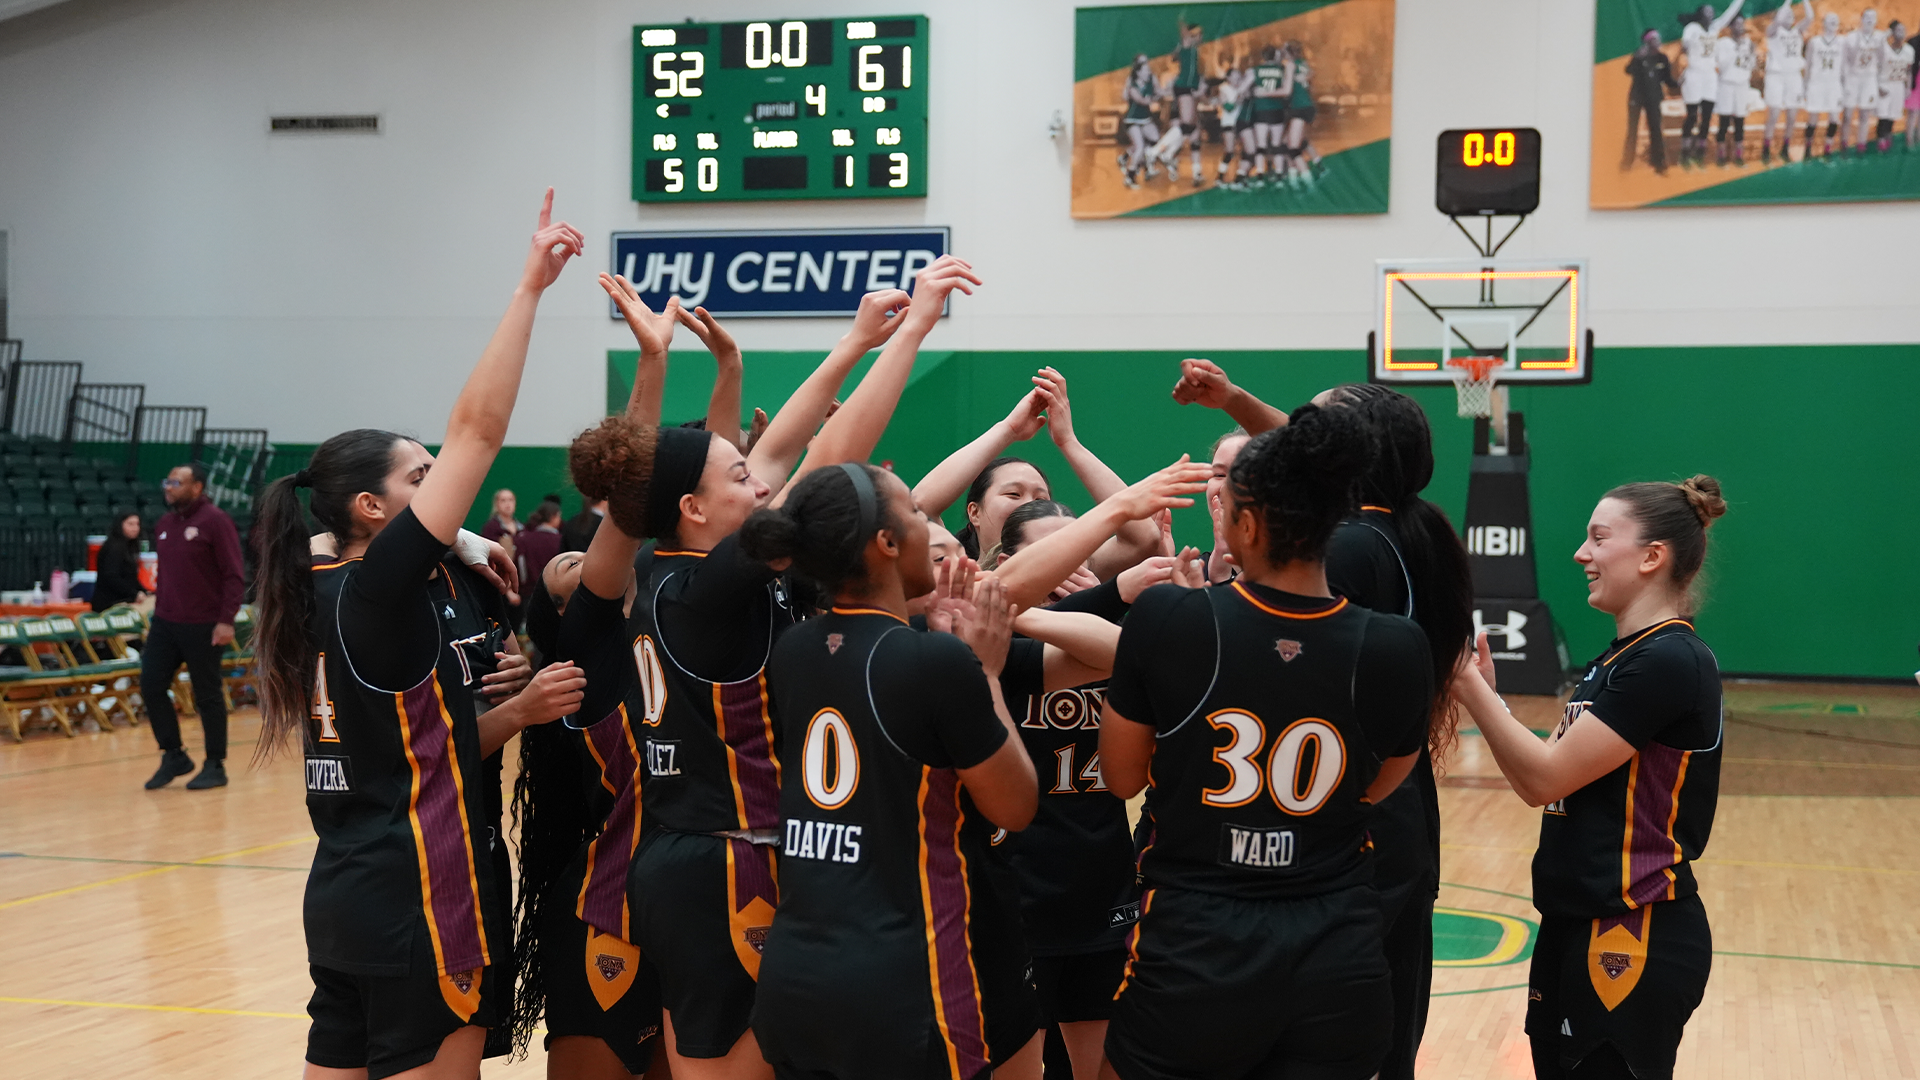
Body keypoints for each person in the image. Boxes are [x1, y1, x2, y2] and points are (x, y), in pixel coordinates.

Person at [565, 255, 980, 1080]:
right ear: (692, 508)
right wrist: (914, 332)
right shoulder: (705, 593)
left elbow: (788, 447)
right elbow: (827, 465)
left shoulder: (669, 569)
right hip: (727, 856)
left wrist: (855, 341)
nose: (759, 483)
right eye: (739, 476)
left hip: (699, 852)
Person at [250, 189, 587, 1080]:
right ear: (371, 508)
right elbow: (478, 429)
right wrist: (529, 289)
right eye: (421, 478)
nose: (442, 486)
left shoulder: (313, 580)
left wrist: (467, 543)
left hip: (343, 892)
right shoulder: (380, 592)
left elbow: (423, 740)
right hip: (425, 892)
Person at [1097, 405, 1432, 1080]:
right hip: (1337, 952)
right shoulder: (1397, 645)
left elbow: (1122, 777)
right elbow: (1379, 786)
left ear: (1245, 525)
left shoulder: (1170, 618)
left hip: (1196, 946)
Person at [744, 463, 1046, 1080]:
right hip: (905, 984)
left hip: (795, 973)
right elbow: (1015, 807)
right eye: (914, 512)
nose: (925, 522)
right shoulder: (935, 661)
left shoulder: (793, 650)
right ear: (885, 543)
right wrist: (987, 673)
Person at [1452, 477, 1728, 1080]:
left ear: (1652, 556)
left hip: (1632, 926)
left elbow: (1542, 779)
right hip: (1575, 919)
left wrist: (1468, 686)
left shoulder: (1668, 660)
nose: (1581, 554)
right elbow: (1541, 776)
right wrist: (1487, 695)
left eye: (1599, 538)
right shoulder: (1618, 659)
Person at [1313, 384, 1474, 1080]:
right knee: (1387, 1032)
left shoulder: (1347, 547)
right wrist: (1232, 400)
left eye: (1311, 426)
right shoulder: (1405, 533)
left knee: (1340, 1039)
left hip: (1360, 813)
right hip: (1400, 807)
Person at [916, 368, 1158, 578]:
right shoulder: (953, 572)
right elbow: (920, 505)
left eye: (1041, 499)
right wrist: (1008, 429)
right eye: (1013, 494)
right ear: (974, 512)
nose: (1029, 505)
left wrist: (1068, 442)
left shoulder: (1075, 568)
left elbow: (1143, 538)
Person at [140, 462, 245, 791]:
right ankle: (173, 754)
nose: (168, 487)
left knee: (207, 694)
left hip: (204, 623)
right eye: (167, 481)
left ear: (197, 487)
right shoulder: (164, 523)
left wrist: (226, 620)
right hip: (165, 621)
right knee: (151, 684)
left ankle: (215, 763)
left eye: (176, 482)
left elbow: (234, 574)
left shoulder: (215, 521)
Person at [1679, 2, 1743, 165]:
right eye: (1707, 11)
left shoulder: (1715, 27)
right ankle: (1685, 152)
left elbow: (1730, 13)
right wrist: (1686, 46)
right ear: (1700, 14)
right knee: (1692, 116)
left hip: (1709, 77)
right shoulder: (1692, 28)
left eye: (1712, 11)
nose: (1711, 14)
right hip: (1694, 74)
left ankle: (1700, 151)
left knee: (1707, 117)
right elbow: (1685, 44)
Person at [1762, 1, 1813, 163]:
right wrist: (1787, 2)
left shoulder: (1797, 30)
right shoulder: (1773, 30)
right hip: (1776, 76)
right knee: (1774, 114)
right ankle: (1766, 148)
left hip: (1793, 76)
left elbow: (1810, 16)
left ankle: (1785, 148)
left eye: (1792, 14)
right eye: (1786, 13)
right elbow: (1778, 20)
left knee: (1792, 115)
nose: (1790, 15)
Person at [1626, 29, 1681, 173]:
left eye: (1658, 38)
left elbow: (1668, 80)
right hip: (1637, 97)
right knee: (1632, 130)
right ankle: (1627, 162)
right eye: (1654, 39)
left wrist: (1680, 84)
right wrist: (1637, 58)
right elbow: (1628, 70)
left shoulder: (1662, 58)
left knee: (1655, 129)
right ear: (1648, 41)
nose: (1658, 41)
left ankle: (1658, 163)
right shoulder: (1640, 55)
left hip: (1654, 98)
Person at [1712, 14, 1758, 165]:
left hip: (1742, 85)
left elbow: (1751, 66)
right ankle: (1721, 155)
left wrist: (1752, 54)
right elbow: (1721, 65)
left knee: (1739, 122)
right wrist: (1736, 50)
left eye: (1742, 24)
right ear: (1731, 27)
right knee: (1724, 122)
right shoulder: (1723, 43)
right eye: (1737, 24)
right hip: (1726, 84)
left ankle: (1739, 156)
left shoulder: (1748, 43)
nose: (1740, 27)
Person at [1843, 8, 1885, 153]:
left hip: (1869, 78)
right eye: (1867, 16)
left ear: (1876, 20)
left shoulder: (1880, 37)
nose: (1869, 19)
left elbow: (1882, 60)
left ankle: (1861, 144)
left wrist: (1879, 81)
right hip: (1853, 78)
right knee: (1847, 115)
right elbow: (1847, 60)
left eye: (1873, 17)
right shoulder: (1851, 37)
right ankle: (1844, 144)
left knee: (1864, 114)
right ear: (1861, 19)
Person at [1805, 11, 1847, 155]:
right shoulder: (1814, 42)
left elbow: (1844, 66)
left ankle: (1827, 148)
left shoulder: (1842, 42)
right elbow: (1808, 65)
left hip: (1834, 83)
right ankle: (1808, 148)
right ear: (1824, 23)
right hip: (1817, 83)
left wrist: (1844, 86)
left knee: (1834, 118)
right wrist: (1805, 86)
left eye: (1836, 19)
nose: (1834, 21)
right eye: (1830, 19)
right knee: (1813, 118)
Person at [1119, 54, 1163, 189]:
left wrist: (1161, 94)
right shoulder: (1132, 83)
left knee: (1155, 140)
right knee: (1139, 146)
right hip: (1133, 119)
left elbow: (1159, 92)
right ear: (1138, 70)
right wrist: (1149, 99)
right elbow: (1137, 99)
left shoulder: (1151, 78)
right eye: (1144, 67)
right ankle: (1130, 176)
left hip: (1145, 118)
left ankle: (1143, 165)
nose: (1148, 70)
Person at [1170, 20, 1205, 187]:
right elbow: (1184, 34)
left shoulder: (1194, 53)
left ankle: (1197, 172)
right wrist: (1181, 17)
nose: (1201, 37)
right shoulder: (1186, 46)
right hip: (1182, 93)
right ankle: (1162, 154)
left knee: (1194, 135)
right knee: (1185, 128)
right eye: (1199, 34)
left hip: (1190, 94)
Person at [92, 511, 148, 611]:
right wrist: (135, 594)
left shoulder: (129, 547)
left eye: (137, 524)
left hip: (124, 599)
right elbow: (111, 577)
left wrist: (143, 591)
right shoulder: (114, 547)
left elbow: (131, 578)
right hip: (109, 603)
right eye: (130, 524)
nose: (135, 528)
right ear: (120, 525)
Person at [1874, 21, 1913, 151]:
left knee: (1893, 114)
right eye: (1898, 30)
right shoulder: (1884, 49)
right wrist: (1878, 86)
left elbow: (1908, 71)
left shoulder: (1908, 50)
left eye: (1903, 30)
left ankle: (1887, 135)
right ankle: (1880, 139)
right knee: (1883, 114)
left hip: (1898, 85)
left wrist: (1908, 87)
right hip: (1885, 84)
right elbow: (1876, 67)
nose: (1902, 33)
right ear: (1892, 32)